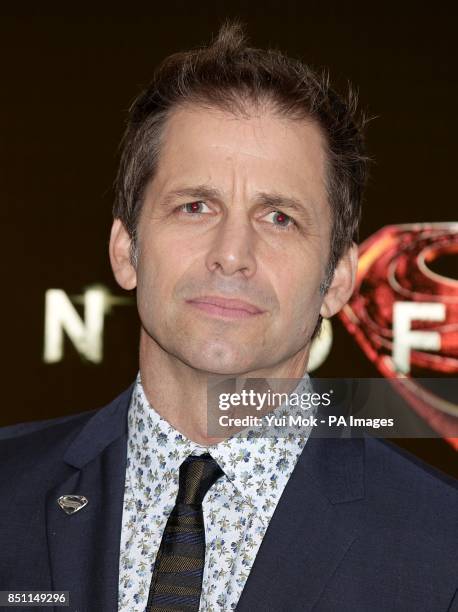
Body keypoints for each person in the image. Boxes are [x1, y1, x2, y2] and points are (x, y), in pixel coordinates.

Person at [0, 20, 457, 612]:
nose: (232, 255)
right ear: (125, 250)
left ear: (338, 280)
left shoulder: (441, 549)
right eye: (196, 206)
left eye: (279, 218)